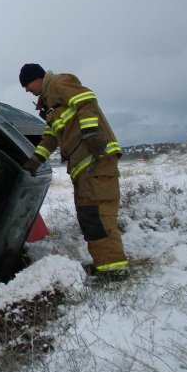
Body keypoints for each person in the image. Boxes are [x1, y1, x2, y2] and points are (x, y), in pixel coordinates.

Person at [18, 63, 128, 281]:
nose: (26, 90)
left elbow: (86, 100)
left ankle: (114, 270)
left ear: (37, 78)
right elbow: (50, 138)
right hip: (83, 167)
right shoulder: (50, 105)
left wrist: (90, 134)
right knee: (90, 216)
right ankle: (106, 265)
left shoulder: (59, 83)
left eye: (27, 84)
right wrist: (34, 161)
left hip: (96, 161)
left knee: (99, 216)